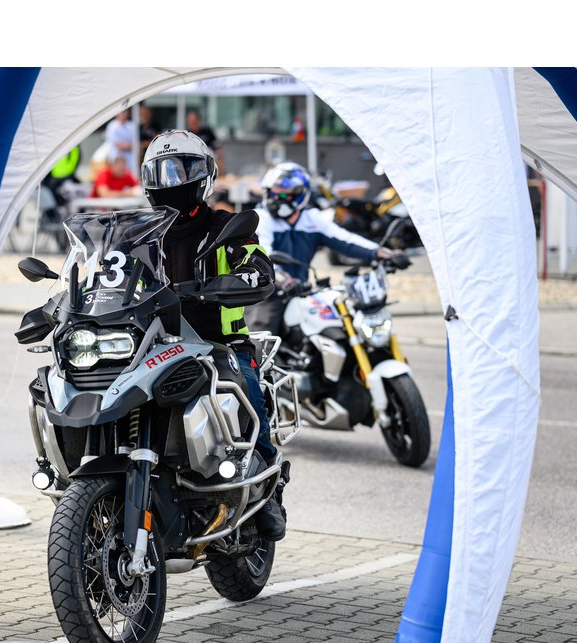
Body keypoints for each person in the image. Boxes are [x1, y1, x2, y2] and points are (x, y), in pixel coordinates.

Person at [141, 130, 287, 543]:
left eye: (181, 170)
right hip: (154, 345)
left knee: (248, 392)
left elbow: (258, 266)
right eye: (162, 172)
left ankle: (266, 483)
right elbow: (108, 273)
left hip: (218, 343)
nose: (172, 181)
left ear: (204, 175)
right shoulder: (141, 234)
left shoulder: (225, 226)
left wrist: (238, 279)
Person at [247, 161, 400, 335]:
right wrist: (282, 279)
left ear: (299, 195)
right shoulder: (260, 219)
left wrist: (384, 253)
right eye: (272, 193)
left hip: (301, 290)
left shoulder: (312, 219)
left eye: (282, 195)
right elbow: (262, 257)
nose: (275, 200)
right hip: (266, 292)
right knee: (263, 336)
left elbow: (345, 239)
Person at [186, 109, 224, 174]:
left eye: (194, 121)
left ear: (198, 121)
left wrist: (220, 168)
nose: (193, 124)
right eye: (191, 122)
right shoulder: (186, 136)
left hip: (209, 166)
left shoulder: (207, 133)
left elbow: (219, 150)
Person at [104, 109, 136, 174]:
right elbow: (120, 145)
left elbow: (137, 143)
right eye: (122, 112)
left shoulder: (132, 126)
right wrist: (131, 145)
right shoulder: (112, 126)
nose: (123, 114)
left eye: (125, 112)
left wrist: (130, 145)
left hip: (131, 161)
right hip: (116, 160)